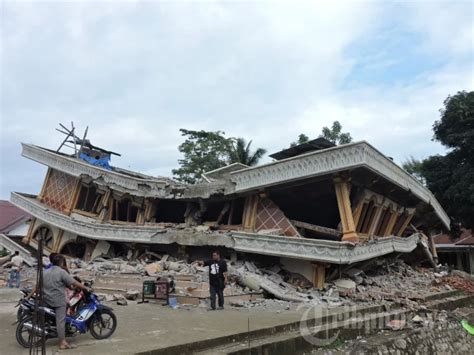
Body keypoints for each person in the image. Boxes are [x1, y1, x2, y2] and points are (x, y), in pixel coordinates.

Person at [42, 254, 91, 350]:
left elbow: (69, 285)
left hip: (46, 299)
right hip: (58, 300)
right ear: (61, 263)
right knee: (61, 321)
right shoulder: (61, 272)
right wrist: (86, 288)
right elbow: (74, 282)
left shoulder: (45, 272)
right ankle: (62, 343)